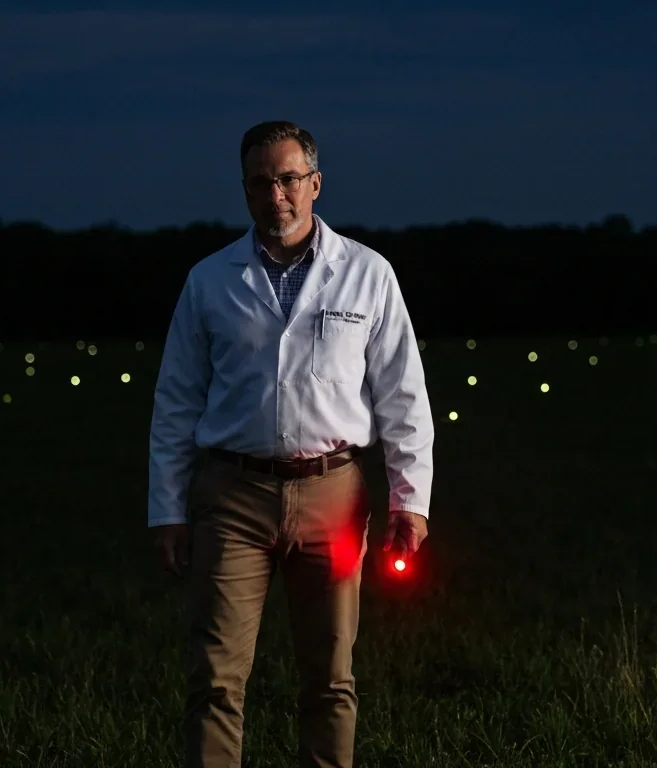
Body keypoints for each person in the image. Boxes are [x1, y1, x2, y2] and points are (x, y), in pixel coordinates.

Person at [147, 120, 435, 767]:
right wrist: (166, 511)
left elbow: (404, 396)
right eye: (259, 182)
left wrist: (409, 502)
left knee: (330, 678)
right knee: (216, 678)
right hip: (232, 496)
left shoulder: (367, 274)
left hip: (334, 495)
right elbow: (176, 401)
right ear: (244, 190)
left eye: (287, 179)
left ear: (315, 184)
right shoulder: (210, 280)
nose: (274, 194)